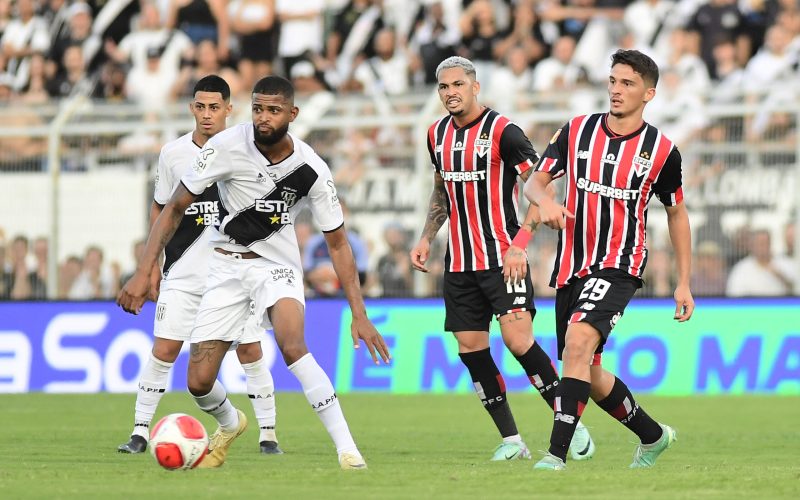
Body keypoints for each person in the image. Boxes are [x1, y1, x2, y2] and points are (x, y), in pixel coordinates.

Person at [117, 75, 391, 470]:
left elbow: (338, 244)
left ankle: (348, 450)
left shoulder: (311, 169)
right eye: (258, 108)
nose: (263, 118)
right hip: (225, 268)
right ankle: (229, 423)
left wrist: (359, 314)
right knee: (198, 382)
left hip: (277, 268)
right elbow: (174, 207)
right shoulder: (225, 147)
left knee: (292, 344)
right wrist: (145, 270)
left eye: (274, 110)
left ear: (292, 114)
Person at [409, 56, 595, 462]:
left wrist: (520, 244)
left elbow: (539, 189)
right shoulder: (435, 134)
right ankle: (512, 440)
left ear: (476, 87)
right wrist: (426, 236)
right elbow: (442, 190)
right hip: (459, 264)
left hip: (502, 259)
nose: (450, 93)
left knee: (518, 341)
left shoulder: (504, 132)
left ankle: (571, 424)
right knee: (471, 350)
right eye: (443, 87)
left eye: (458, 85)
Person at [525, 49, 695, 471]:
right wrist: (543, 201)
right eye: (614, 81)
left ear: (649, 93)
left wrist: (684, 281)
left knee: (579, 342)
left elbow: (677, 213)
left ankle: (555, 457)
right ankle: (653, 436)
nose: (616, 90)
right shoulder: (576, 131)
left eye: (628, 83)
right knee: (585, 369)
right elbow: (534, 182)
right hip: (570, 266)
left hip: (621, 263)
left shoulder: (661, 151)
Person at [117, 75, 283, 456]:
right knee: (165, 349)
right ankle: (140, 431)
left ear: (229, 109)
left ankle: (268, 434)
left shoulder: (249, 150)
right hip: (183, 271)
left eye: (214, 107)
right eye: (200, 107)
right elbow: (161, 207)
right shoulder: (173, 154)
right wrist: (152, 264)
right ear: (192, 108)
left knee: (250, 351)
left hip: (234, 275)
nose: (207, 115)